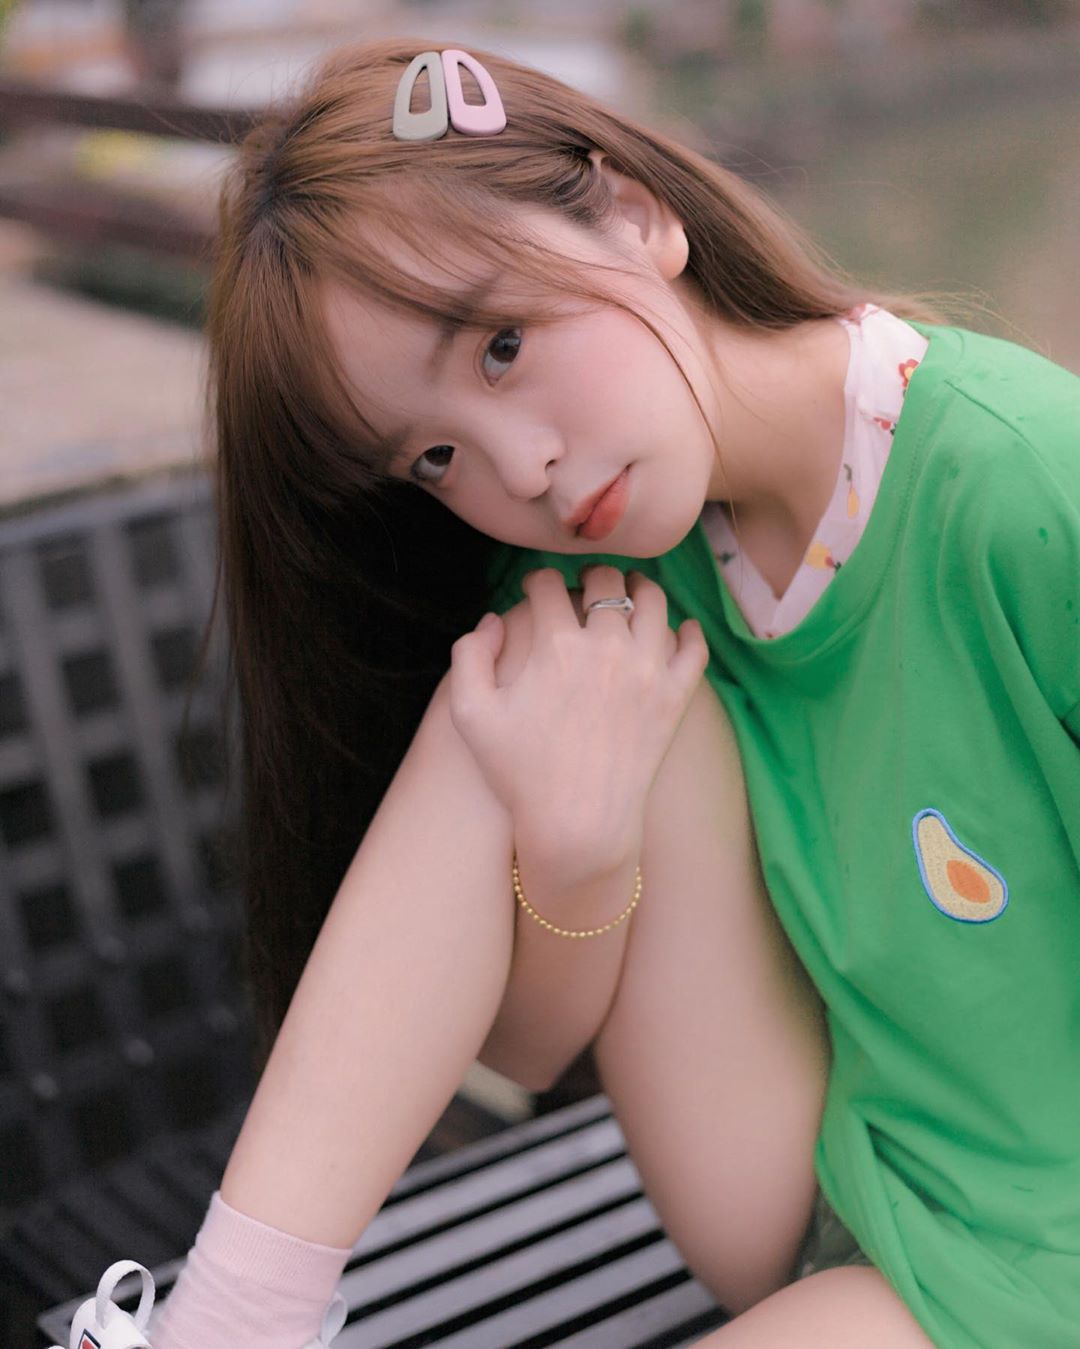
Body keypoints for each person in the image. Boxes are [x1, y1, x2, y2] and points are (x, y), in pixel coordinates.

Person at [71, 37, 1079, 1349]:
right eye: (435, 457)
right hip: (810, 1178)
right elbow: (532, 1054)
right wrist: (579, 858)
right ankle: (226, 1323)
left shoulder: (1021, 485)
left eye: (501, 344)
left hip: (1041, 1250)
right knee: (544, 673)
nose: (521, 468)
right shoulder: (605, 563)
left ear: (638, 214)